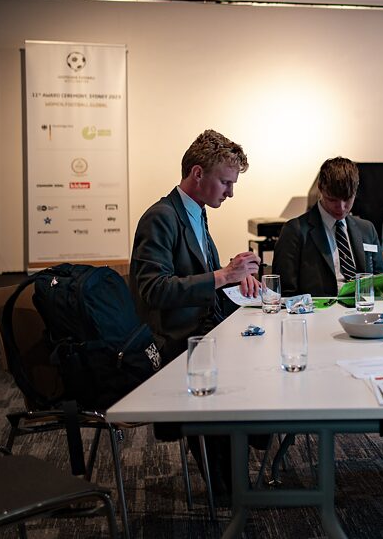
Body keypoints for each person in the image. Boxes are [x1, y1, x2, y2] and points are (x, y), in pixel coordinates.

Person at [130, 129, 261, 501]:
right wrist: (222, 276)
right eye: (225, 182)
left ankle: (244, 464)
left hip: (203, 331)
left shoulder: (195, 213)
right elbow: (153, 290)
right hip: (173, 342)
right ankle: (230, 487)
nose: (230, 193)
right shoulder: (160, 218)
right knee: (241, 369)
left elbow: (200, 277)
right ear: (198, 174)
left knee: (264, 346)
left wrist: (237, 278)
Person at [272, 157, 383, 297]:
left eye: (348, 199)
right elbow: (284, 293)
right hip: (318, 314)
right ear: (320, 189)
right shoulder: (295, 231)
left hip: (363, 311)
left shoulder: (366, 229)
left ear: (356, 191)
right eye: (332, 199)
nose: (341, 207)